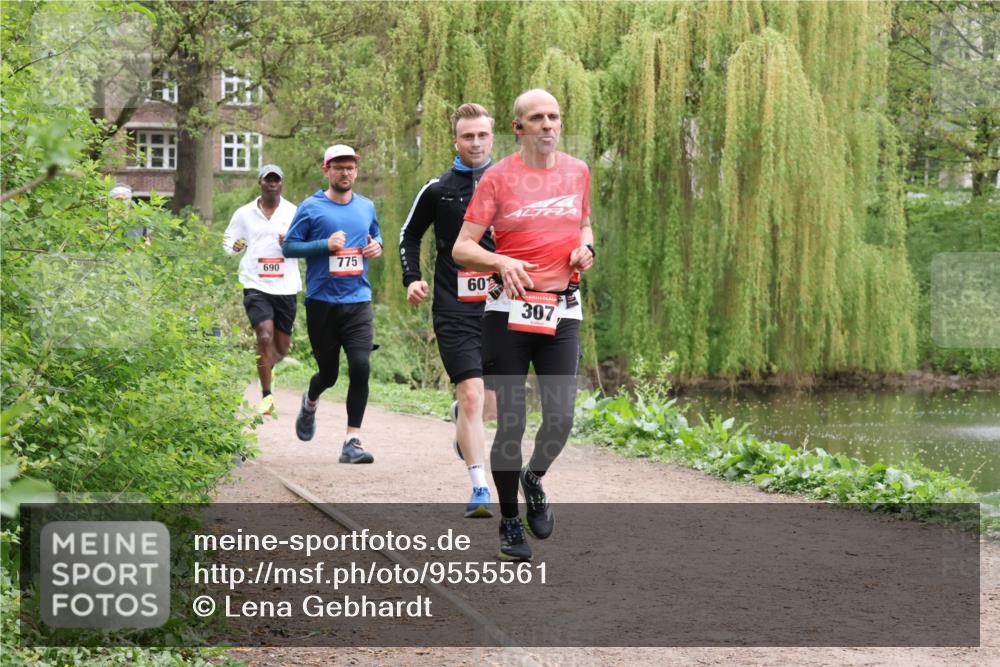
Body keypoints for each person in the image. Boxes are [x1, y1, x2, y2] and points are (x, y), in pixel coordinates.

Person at [453, 89, 595, 561]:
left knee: (560, 418)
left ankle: (534, 478)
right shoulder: (497, 178)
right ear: (519, 128)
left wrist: (587, 250)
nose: (548, 125)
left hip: (562, 308)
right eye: (537, 118)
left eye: (554, 116)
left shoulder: (578, 172)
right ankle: (510, 523)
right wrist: (499, 260)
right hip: (507, 312)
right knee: (510, 422)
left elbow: (585, 224)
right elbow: (462, 248)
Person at [399, 102, 500, 518]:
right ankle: (479, 487)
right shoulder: (438, 188)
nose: (475, 143)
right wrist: (412, 278)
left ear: (492, 137)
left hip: (502, 306)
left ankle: (463, 417)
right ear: (455, 140)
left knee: (489, 404)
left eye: (482, 135)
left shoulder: (512, 183)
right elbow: (408, 235)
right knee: (473, 395)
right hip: (454, 305)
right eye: (467, 136)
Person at [282, 145, 383, 464]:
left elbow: (375, 236)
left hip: (358, 300)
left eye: (350, 167)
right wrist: (324, 245)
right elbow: (289, 248)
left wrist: (376, 247)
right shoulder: (311, 207)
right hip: (322, 303)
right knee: (328, 374)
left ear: (356, 170)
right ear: (326, 170)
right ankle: (310, 402)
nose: (345, 172)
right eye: (338, 167)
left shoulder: (366, 206)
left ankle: (352, 440)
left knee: (361, 367)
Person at [222, 164, 301, 417]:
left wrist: (290, 242)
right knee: (264, 337)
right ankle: (267, 397)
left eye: (276, 180)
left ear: (282, 183)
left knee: (281, 348)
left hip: (286, 285)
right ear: (260, 183)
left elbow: (306, 240)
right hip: (255, 283)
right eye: (268, 179)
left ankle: (269, 367)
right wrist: (236, 246)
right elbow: (227, 242)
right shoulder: (244, 213)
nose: (272, 183)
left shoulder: (293, 212)